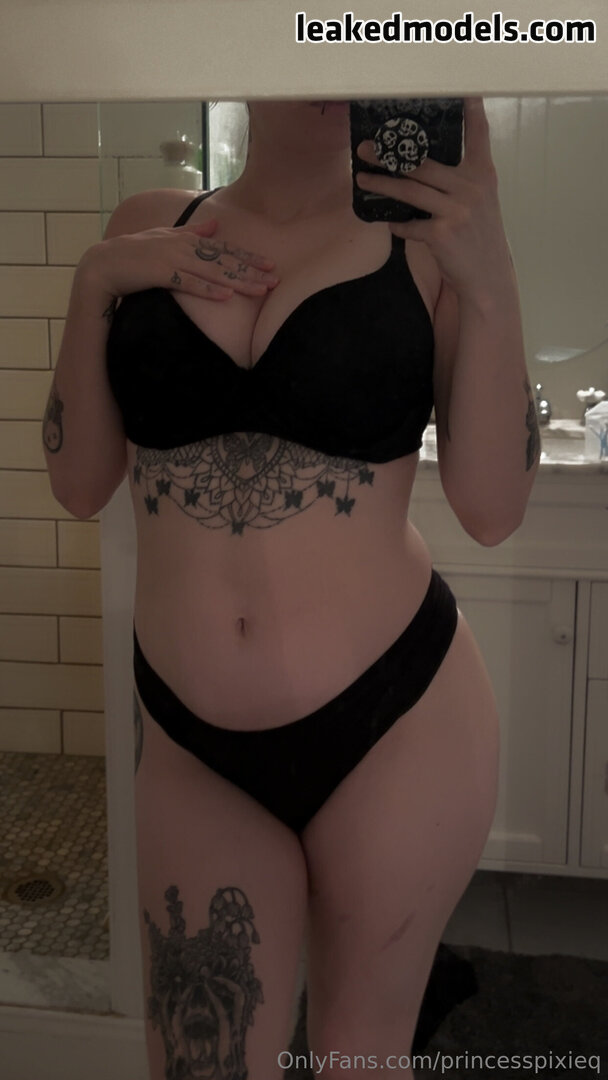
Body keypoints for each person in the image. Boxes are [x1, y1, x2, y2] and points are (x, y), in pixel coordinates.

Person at [43, 97, 540, 1080]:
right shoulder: (147, 225)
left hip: (397, 724)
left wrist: (489, 277)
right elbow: (77, 483)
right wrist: (94, 283)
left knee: (360, 1061)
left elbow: (491, 508)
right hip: (192, 741)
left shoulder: (427, 241)